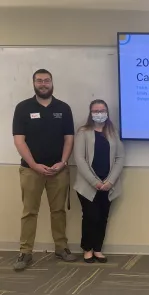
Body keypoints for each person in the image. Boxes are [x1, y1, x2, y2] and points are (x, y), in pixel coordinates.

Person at [12, 69, 77, 271]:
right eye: (39, 81)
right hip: (31, 171)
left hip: (58, 171)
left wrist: (63, 162)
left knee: (58, 211)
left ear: (52, 83)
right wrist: (34, 165)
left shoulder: (64, 108)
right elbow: (19, 140)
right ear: (33, 83)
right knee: (29, 212)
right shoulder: (23, 108)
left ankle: (61, 247)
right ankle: (25, 252)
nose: (43, 84)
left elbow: (69, 138)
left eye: (46, 80)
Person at [73, 99, 125, 263]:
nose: (99, 114)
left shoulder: (113, 132)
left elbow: (120, 157)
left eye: (102, 110)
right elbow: (79, 159)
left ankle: (97, 249)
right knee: (90, 217)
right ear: (90, 113)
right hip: (87, 186)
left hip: (108, 185)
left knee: (102, 217)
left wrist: (109, 181)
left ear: (107, 112)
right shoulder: (83, 132)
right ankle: (87, 249)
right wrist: (95, 182)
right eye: (95, 111)